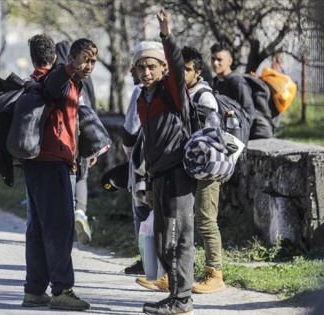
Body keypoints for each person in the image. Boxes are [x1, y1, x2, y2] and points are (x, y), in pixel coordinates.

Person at [22, 37, 96, 311]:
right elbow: (55, 87)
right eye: (84, 60)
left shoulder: (34, 80)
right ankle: (62, 290)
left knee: (39, 230)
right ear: (57, 57)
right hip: (52, 163)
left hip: (38, 162)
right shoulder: (55, 80)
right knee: (59, 229)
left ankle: (34, 290)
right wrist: (69, 69)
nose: (87, 66)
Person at [134, 9, 196, 314]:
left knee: (177, 239)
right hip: (158, 177)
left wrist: (167, 34)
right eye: (141, 67)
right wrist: (146, 181)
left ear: (161, 69)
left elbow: (176, 63)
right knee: (160, 242)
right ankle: (174, 295)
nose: (146, 72)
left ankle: (182, 300)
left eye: (152, 66)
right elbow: (147, 142)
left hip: (177, 175)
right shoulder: (142, 99)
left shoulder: (172, 93)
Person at [182, 46, 226, 294]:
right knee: (184, 220)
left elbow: (213, 137)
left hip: (207, 168)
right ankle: (180, 272)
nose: (182, 74)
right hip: (188, 166)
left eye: (187, 70)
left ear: (197, 72)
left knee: (206, 219)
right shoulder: (182, 92)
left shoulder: (204, 97)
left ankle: (214, 273)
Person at [54, 40, 95, 245]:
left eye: (92, 62)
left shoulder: (63, 79)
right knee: (81, 179)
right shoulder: (75, 81)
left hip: (66, 148)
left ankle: (71, 217)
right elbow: (92, 113)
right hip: (78, 146)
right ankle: (80, 211)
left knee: (68, 185)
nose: (88, 66)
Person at [121, 49, 149, 275]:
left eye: (138, 66)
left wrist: (132, 156)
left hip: (143, 162)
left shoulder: (140, 92)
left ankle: (147, 259)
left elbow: (130, 131)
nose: (135, 71)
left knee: (141, 211)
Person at [210, 42, 256, 138]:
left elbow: (249, 112)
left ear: (229, 61)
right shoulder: (215, 82)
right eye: (213, 59)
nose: (215, 63)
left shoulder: (236, 81)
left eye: (219, 60)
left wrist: (241, 138)